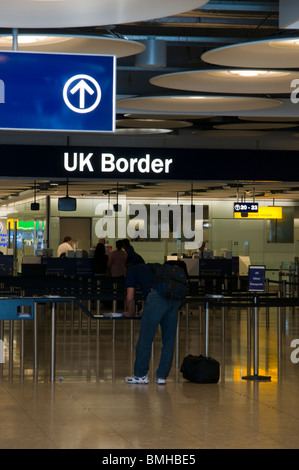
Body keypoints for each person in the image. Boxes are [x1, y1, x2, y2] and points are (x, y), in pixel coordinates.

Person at [124, 263, 181, 385]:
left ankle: (140, 375)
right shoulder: (157, 268)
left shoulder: (132, 271)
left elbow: (130, 298)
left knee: (146, 338)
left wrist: (130, 312)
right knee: (168, 340)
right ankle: (162, 377)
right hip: (174, 298)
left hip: (156, 298)